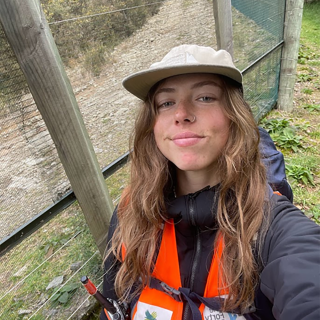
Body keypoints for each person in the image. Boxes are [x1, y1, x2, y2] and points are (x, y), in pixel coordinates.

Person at [100, 45, 320, 320]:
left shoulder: (273, 229)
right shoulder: (130, 212)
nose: (181, 113)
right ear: (152, 125)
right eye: (166, 103)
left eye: (204, 97)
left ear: (234, 115)